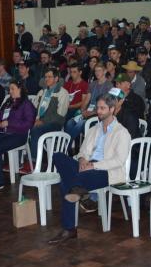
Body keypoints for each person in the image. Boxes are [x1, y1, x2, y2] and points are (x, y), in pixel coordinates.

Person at [47, 93, 131, 244]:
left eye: (102, 108)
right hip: (87, 166)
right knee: (58, 156)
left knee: (65, 184)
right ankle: (78, 189)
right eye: (98, 107)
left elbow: (118, 161)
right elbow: (83, 151)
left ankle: (69, 229)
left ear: (112, 109)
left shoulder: (122, 132)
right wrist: (82, 160)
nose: (98, 111)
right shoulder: (94, 129)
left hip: (106, 171)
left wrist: (93, 165)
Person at [28, 67, 71, 158]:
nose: (46, 79)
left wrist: (42, 121)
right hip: (39, 120)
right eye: (45, 77)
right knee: (22, 126)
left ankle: (34, 160)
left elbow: (60, 115)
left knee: (36, 130)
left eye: (49, 77)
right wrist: (32, 120)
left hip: (55, 123)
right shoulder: (42, 92)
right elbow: (35, 109)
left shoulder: (63, 93)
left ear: (56, 79)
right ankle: (23, 156)